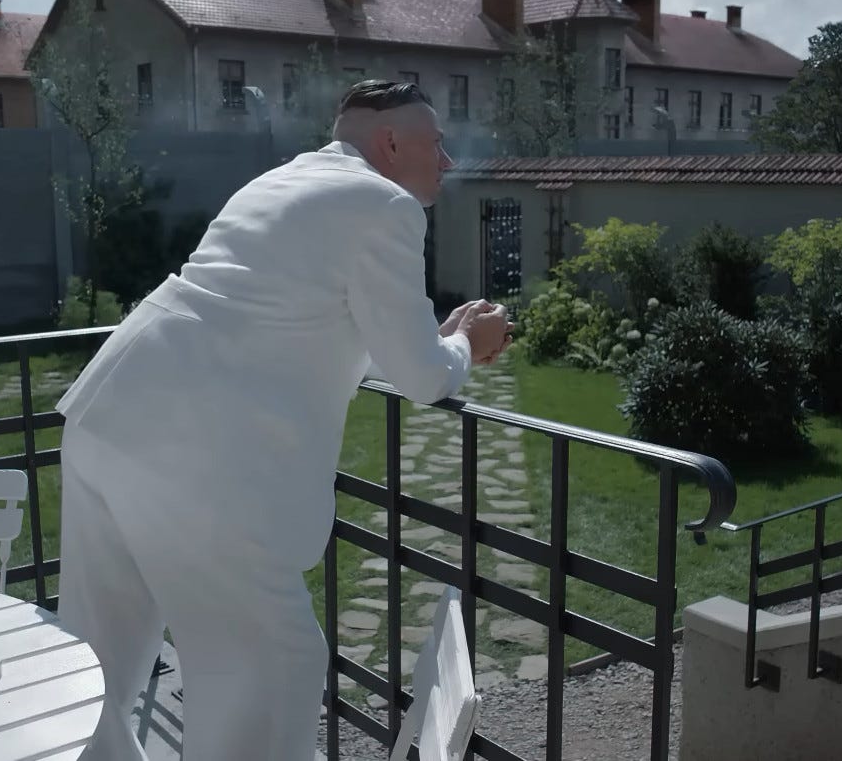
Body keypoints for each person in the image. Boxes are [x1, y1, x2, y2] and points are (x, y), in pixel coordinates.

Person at [54, 79, 512, 760]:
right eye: (435, 142)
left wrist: (430, 339)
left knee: (99, 648)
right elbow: (422, 377)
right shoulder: (384, 203)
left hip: (108, 411)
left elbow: (304, 324)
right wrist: (466, 346)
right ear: (390, 141)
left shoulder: (283, 179)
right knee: (276, 667)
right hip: (192, 455)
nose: (445, 159)